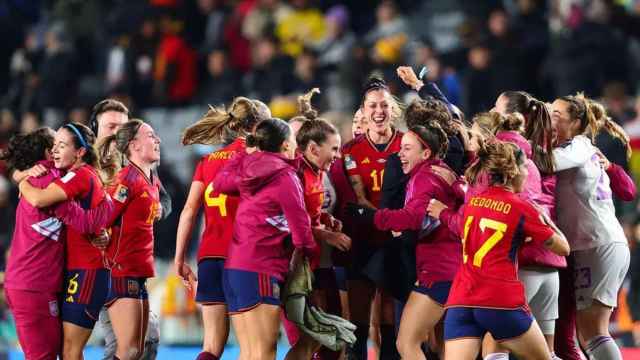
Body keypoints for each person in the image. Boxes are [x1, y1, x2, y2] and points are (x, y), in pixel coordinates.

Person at [436, 141, 570, 360]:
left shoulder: (473, 203)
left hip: (461, 300)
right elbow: (563, 248)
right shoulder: (521, 207)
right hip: (500, 300)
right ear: (513, 171)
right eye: (525, 167)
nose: (528, 173)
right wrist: (547, 221)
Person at [347, 120, 463, 359]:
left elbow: (410, 218)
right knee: (442, 346)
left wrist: (369, 216)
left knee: (406, 343)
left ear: (426, 152)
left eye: (407, 149)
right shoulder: (439, 171)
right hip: (451, 268)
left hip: (438, 271)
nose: (400, 154)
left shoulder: (424, 179)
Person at [3, 128, 113, 360]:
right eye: (55, 144)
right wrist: (111, 204)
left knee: (59, 353)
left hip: (32, 282)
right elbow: (84, 222)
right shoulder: (53, 179)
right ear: (46, 152)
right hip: (34, 285)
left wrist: (19, 177)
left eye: (62, 144)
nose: (56, 149)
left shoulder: (35, 178)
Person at [213, 118, 317, 360]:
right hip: (261, 268)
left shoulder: (248, 168)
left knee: (249, 353)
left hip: (235, 269)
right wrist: (309, 258)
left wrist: (241, 155)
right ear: (284, 145)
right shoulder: (285, 176)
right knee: (264, 353)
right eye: (292, 140)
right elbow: (301, 230)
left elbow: (219, 183)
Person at [175, 97, 269, 360]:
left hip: (209, 257)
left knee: (211, 345)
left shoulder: (209, 160)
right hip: (243, 258)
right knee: (253, 346)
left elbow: (189, 211)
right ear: (259, 125)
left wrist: (179, 258)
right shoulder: (259, 159)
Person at [551, 93, 631, 360]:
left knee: (594, 332)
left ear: (575, 123)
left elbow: (550, 163)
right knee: (588, 333)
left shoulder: (578, 147)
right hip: (599, 242)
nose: (550, 119)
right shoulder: (582, 149)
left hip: (595, 244)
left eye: (557, 115)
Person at [90, 99, 165, 360]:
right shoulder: (126, 179)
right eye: (151, 136)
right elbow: (102, 217)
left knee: (142, 346)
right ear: (133, 145)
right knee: (127, 349)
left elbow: (161, 205)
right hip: (119, 270)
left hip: (138, 271)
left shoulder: (150, 178)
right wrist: (99, 234)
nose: (157, 141)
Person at [284, 89, 351, 360]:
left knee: (329, 338)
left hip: (315, 265)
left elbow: (309, 214)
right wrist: (328, 235)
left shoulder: (316, 173)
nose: (338, 155)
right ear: (313, 148)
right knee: (313, 339)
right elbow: (290, 222)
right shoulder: (295, 174)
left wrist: (325, 219)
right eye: (334, 148)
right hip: (297, 267)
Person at [341, 77, 403, 359]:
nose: (379, 111)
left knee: (391, 315)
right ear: (363, 112)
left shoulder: (407, 144)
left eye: (384, 105)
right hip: (362, 240)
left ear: (393, 109)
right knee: (359, 315)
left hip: (396, 242)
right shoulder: (350, 151)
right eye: (372, 106)